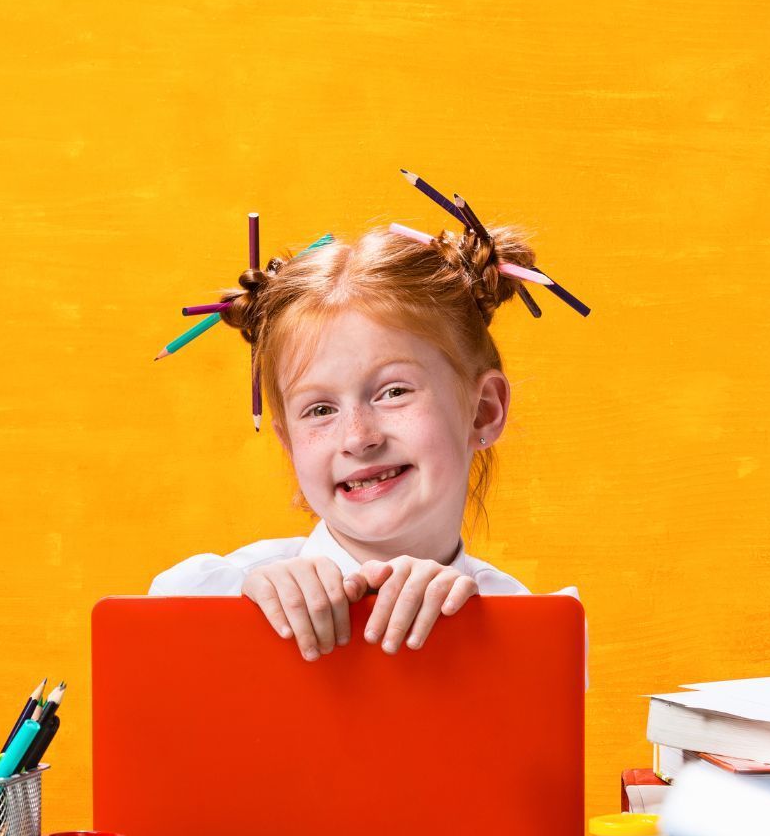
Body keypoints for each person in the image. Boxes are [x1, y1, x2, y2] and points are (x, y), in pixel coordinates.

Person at [149, 220, 580, 660]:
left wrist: (475, 649)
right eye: (320, 410)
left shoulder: (531, 637)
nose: (358, 438)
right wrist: (233, 628)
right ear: (289, 444)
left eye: (394, 392)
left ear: (484, 410)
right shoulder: (209, 596)